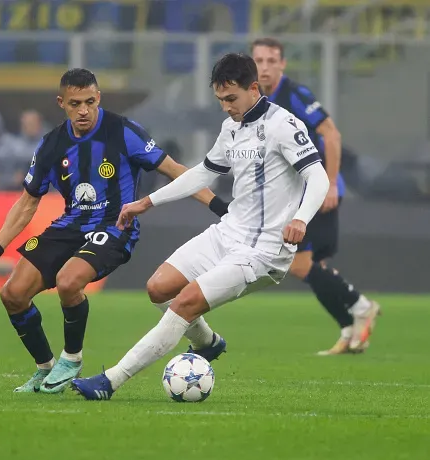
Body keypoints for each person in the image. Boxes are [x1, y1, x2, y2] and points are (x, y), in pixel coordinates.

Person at [71, 52, 330, 400]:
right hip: (228, 232)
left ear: (254, 88)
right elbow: (203, 173)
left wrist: (301, 217)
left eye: (231, 98)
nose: (226, 107)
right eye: (220, 99)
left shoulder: (284, 125)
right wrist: (148, 201)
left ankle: (110, 381)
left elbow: (318, 176)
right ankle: (207, 341)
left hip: (264, 252)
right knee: (159, 288)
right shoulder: (231, 128)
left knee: (185, 303)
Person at [0, 68, 229, 394]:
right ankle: (46, 370)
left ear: (98, 98)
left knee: (68, 281)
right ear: (61, 103)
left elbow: (177, 171)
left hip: (115, 227)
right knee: (12, 294)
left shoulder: (122, 131)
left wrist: (221, 207)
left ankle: (71, 359)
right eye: (75, 103)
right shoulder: (52, 144)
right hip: (70, 225)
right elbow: (27, 203)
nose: (84, 110)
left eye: (90, 101)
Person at [251, 38, 381, 355]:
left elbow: (331, 133)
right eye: (259, 60)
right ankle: (350, 331)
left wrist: (332, 182)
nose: (265, 67)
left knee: (299, 265)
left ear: (282, 64)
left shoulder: (294, 95)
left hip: (316, 190)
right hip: (293, 196)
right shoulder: (255, 101)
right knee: (312, 268)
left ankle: (362, 307)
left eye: (272, 60)